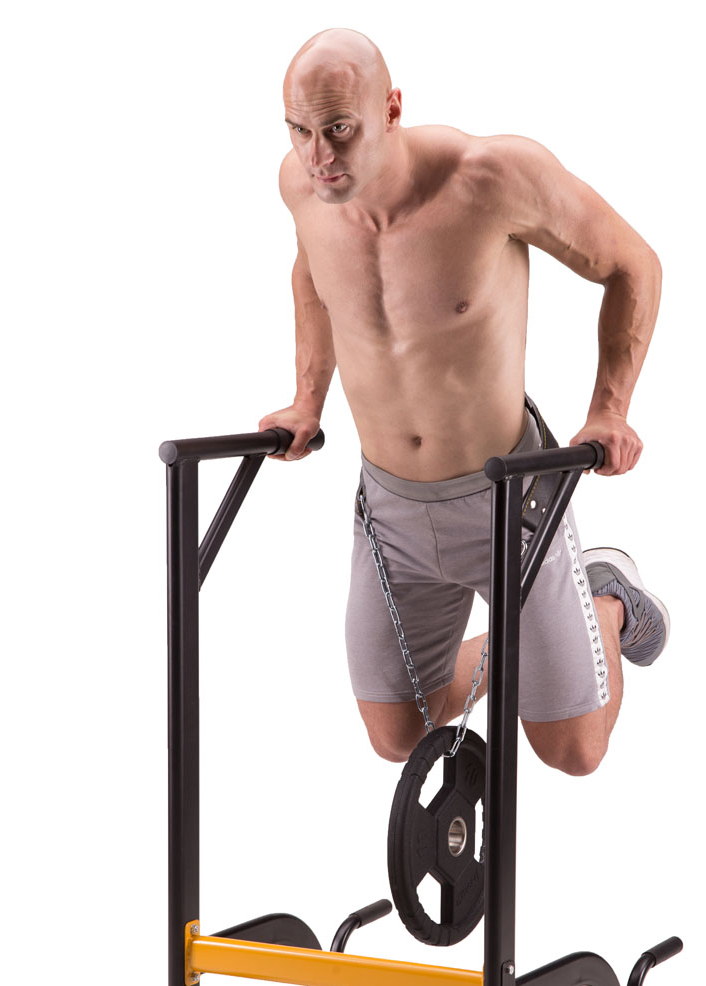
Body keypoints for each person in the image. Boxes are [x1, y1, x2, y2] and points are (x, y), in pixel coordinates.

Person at [259, 28, 668, 777]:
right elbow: (312, 276)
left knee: (574, 751)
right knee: (398, 732)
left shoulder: (491, 177)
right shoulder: (301, 184)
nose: (318, 156)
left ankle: (606, 600)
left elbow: (632, 264)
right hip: (390, 507)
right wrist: (306, 401)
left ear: (391, 109)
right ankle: (542, 645)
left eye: (339, 130)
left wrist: (610, 408)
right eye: (299, 130)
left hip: (507, 499)